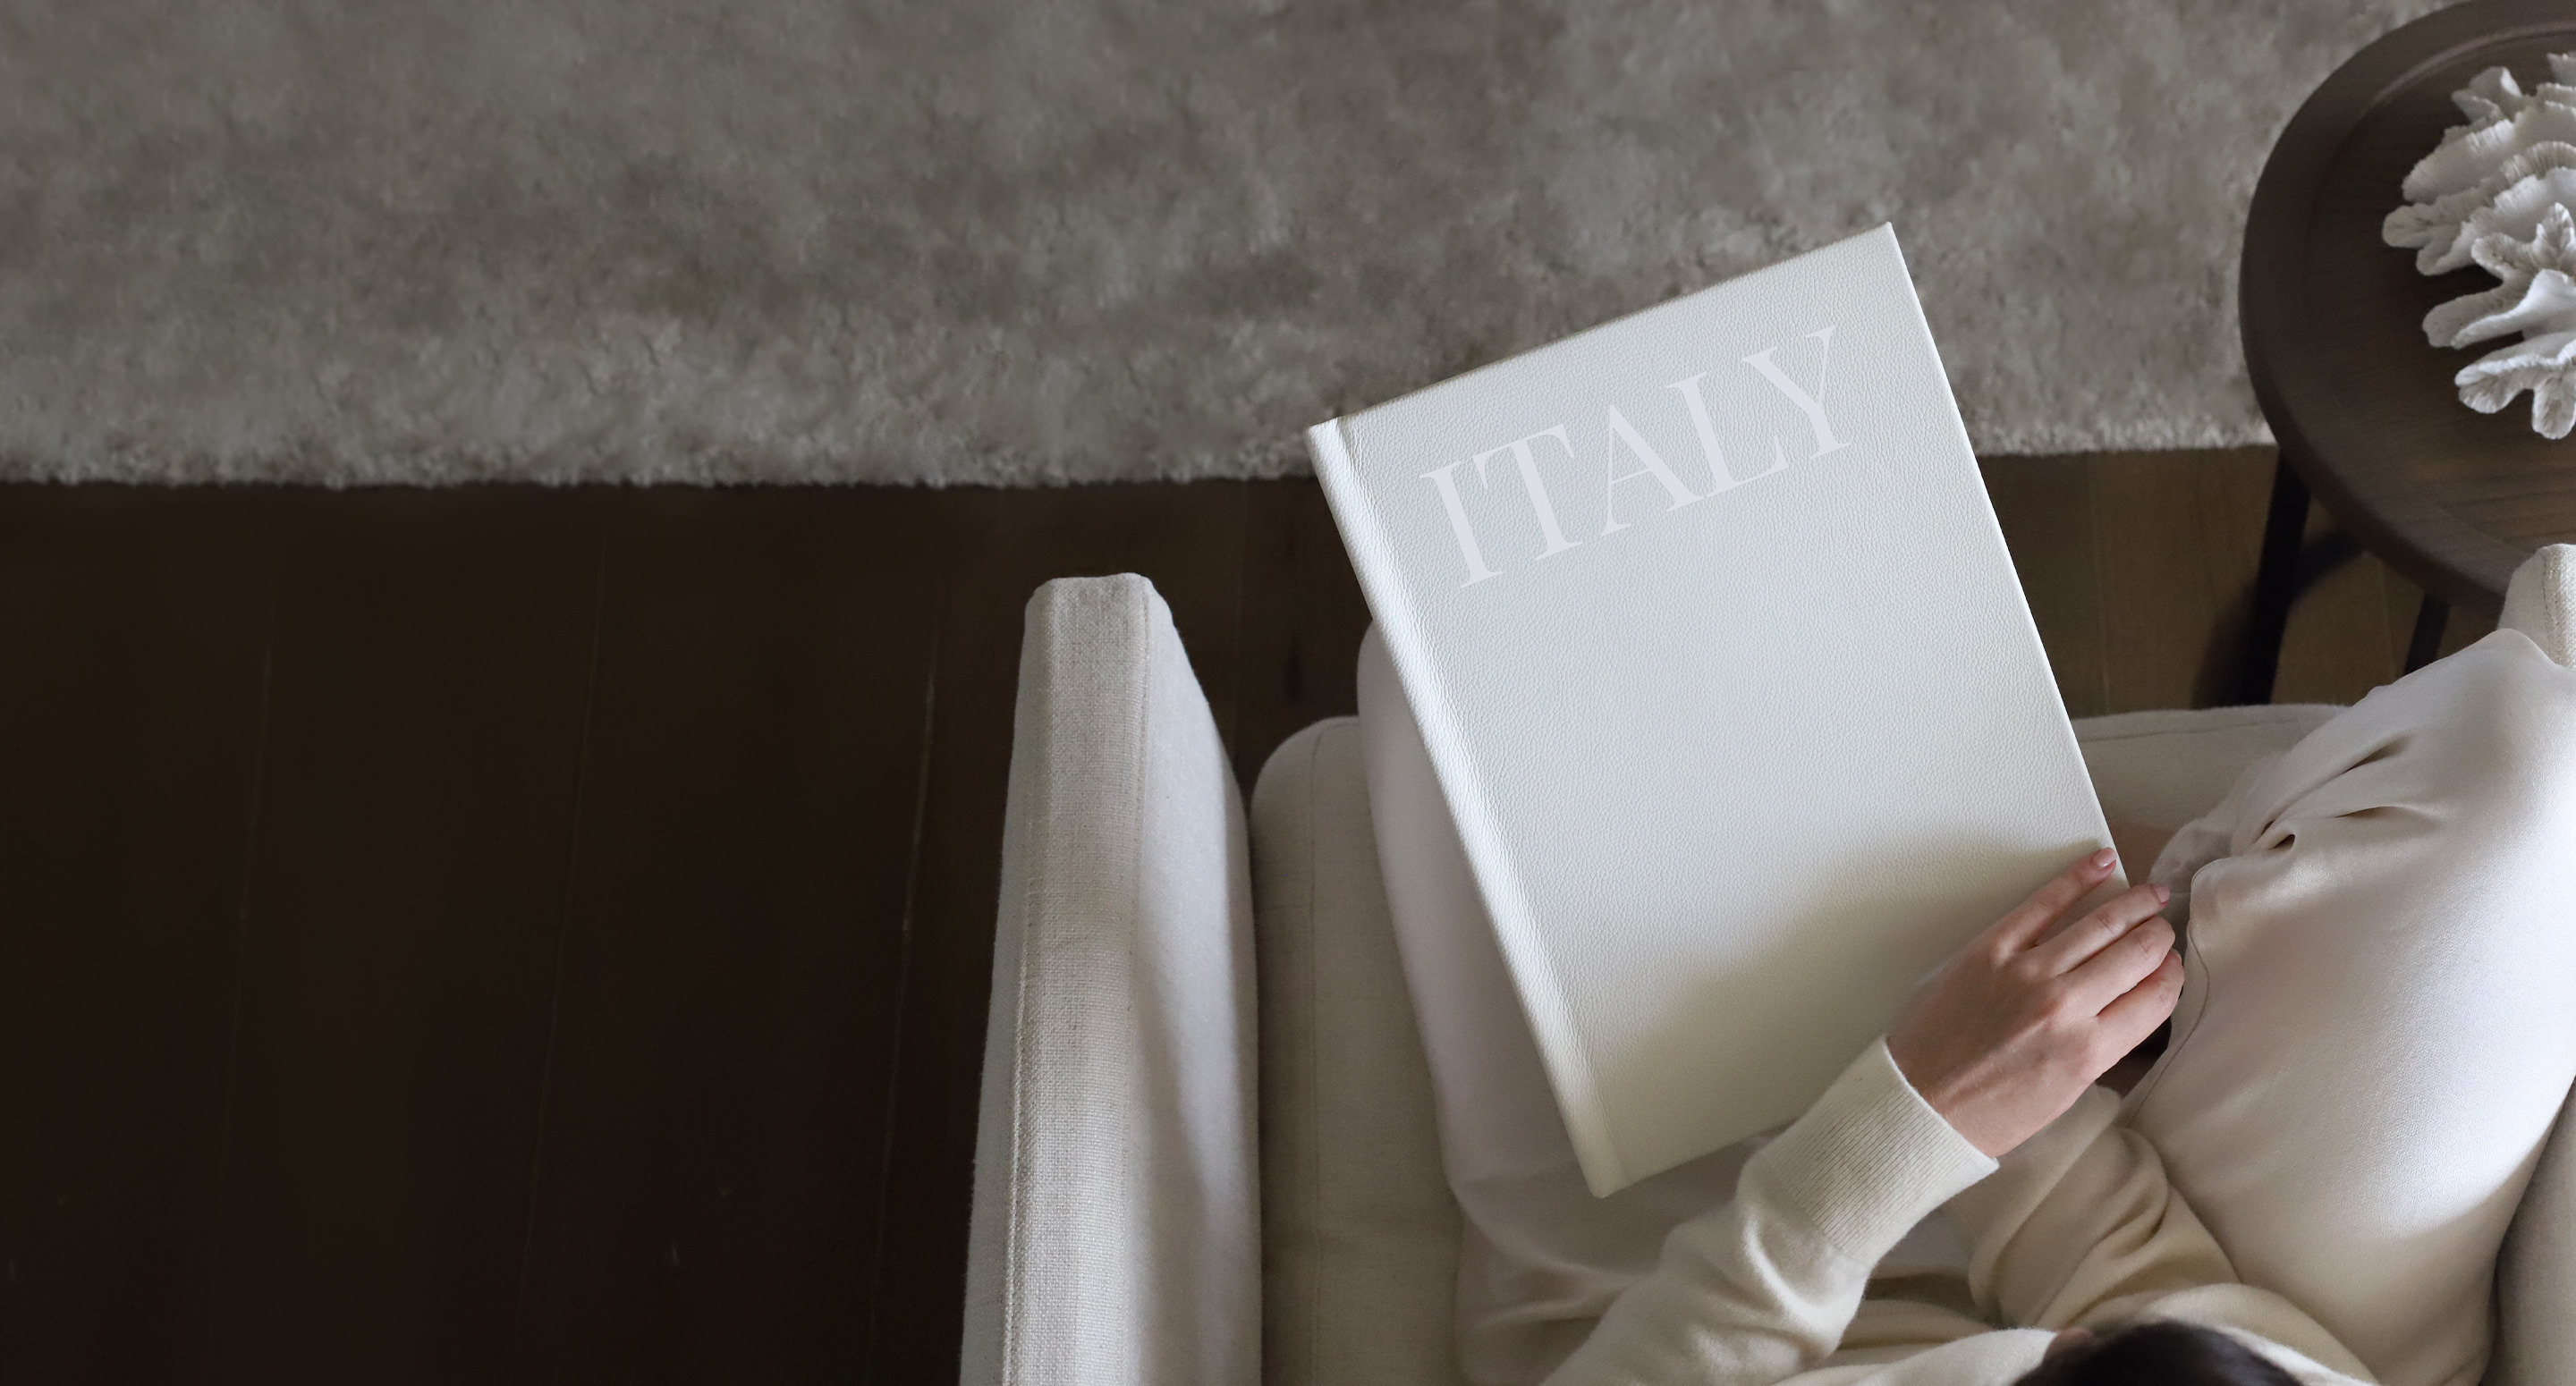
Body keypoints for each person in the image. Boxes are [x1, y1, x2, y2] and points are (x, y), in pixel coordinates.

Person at [1360, 545, 2576, 1386]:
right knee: (2532, 766)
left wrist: (1894, 1116)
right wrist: (1993, 1068)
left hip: (1658, 1309)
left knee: (1442, 665)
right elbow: (2126, 1276)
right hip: (2166, 1286)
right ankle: (2176, 893)